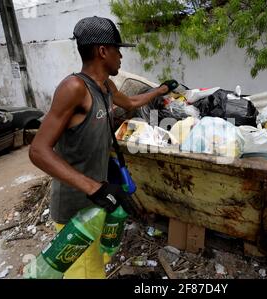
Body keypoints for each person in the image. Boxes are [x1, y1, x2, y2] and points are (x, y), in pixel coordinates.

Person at [29, 16, 178, 279]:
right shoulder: (74, 88)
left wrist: (161, 89)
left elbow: (131, 101)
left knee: (96, 265)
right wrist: (93, 187)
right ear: (102, 51)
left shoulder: (106, 86)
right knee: (86, 274)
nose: (121, 56)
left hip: (96, 205)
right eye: (118, 50)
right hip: (76, 214)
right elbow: (38, 150)